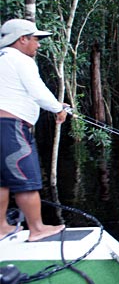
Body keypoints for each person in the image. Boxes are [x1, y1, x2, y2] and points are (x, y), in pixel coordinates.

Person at [0, 18, 68, 242]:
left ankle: (2, 227)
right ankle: (37, 229)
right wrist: (58, 109)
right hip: (12, 128)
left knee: (3, 181)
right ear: (22, 39)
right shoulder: (21, 60)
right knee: (25, 178)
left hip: (3, 127)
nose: (38, 45)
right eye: (35, 39)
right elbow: (37, 91)